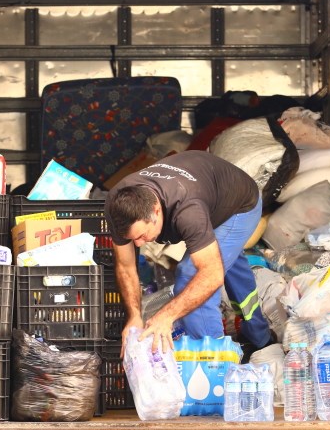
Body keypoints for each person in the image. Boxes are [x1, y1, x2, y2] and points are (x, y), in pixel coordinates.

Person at [105, 150, 272, 354]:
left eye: (142, 235)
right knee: (222, 259)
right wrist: (134, 316)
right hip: (210, 192)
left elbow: (210, 276)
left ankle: (215, 364)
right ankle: (260, 337)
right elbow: (126, 266)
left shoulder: (187, 211)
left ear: (156, 211)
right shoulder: (118, 204)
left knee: (191, 276)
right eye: (132, 239)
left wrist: (166, 316)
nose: (138, 244)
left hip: (239, 205)